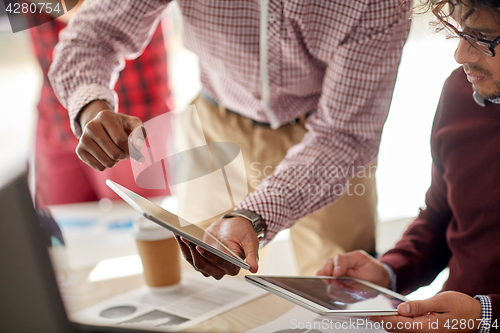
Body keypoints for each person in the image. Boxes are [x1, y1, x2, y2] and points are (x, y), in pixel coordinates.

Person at [49, 0, 412, 277]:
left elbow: (344, 135)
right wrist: (92, 108)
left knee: (339, 293)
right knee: (207, 292)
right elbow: (91, 36)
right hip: (214, 125)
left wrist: (255, 215)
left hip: (327, 144)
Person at [317, 1, 500, 331]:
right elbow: (442, 216)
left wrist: (486, 315)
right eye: (460, 33)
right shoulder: (460, 92)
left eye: (483, 38)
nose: (460, 55)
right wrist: (389, 272)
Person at [27, 1, 174, 207]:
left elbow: (88, 9)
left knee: (146, 222)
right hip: (55, 110)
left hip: (129, 109)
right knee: (58, 228)